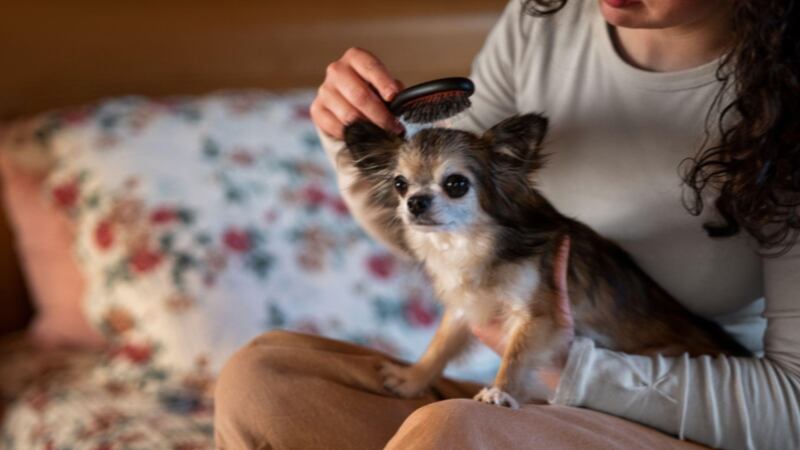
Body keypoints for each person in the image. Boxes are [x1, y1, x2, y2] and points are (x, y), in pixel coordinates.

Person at [214, 0, 800, 449]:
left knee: (455, 432)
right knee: (266, 382)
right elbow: (446, 225)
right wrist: (350, 138)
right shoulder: (544, 18)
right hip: (538, 401)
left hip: (694, 419)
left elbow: (792, 410)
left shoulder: (787, 97)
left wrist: (567, 365)